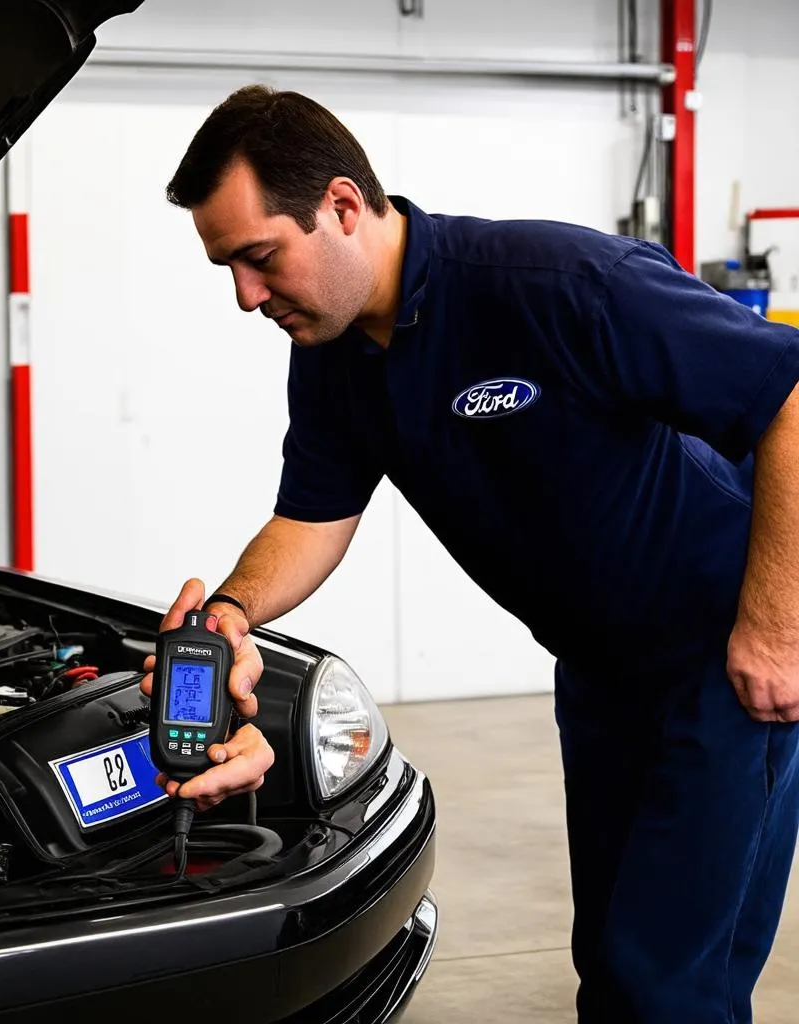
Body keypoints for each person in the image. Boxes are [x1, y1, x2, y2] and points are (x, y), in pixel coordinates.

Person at [138, 84, 799, 1022]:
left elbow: (790, 392)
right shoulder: (330, 352)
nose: (247, 297)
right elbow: (312, 517)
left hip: (723, 659)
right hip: (601, 672)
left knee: (670, 983)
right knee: (610, 957)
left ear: (340, 206)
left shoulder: (558, 283)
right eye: (227, 270)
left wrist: (777, 630)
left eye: (258, 258)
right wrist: (233, 614)